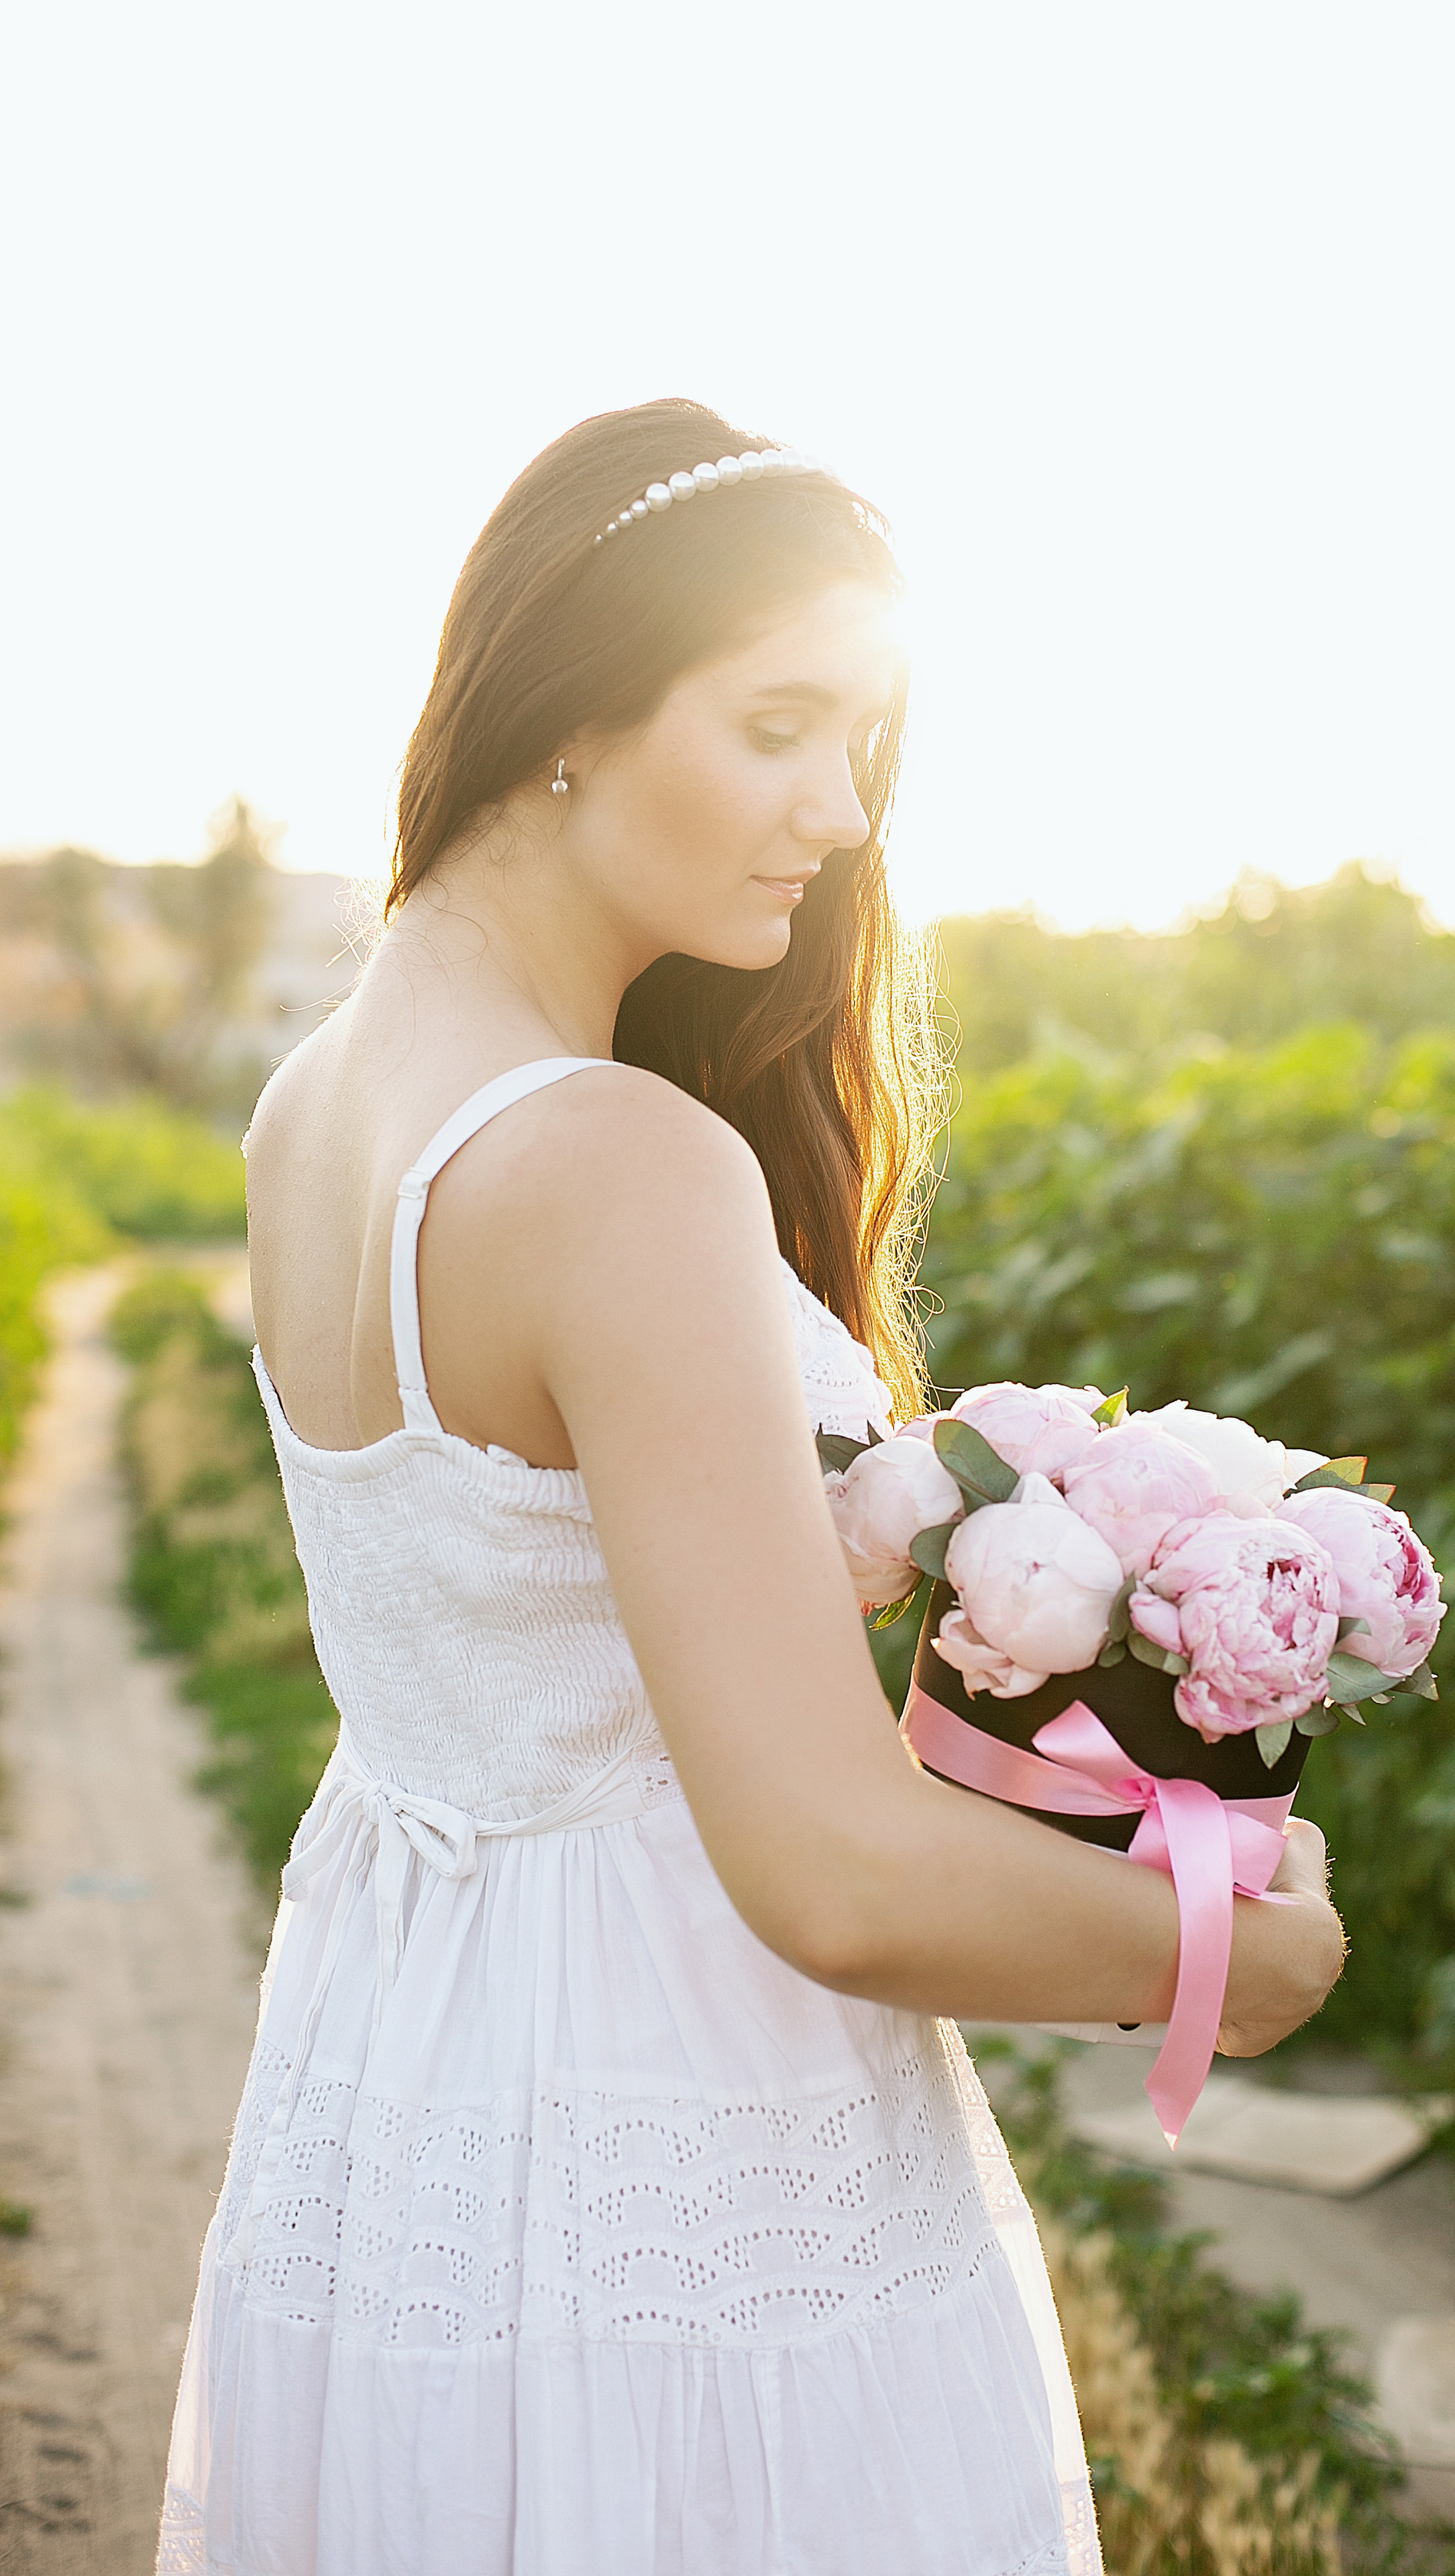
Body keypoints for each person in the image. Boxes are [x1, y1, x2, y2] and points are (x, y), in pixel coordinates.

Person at [157, 398, 1345, 2576]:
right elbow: (833, 1877)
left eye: (865, 737)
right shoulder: (613, 1163)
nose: (846, 809)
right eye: (784, 724)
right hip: (670, 2121)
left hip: (409, 2082)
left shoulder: (322, 1101)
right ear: (563, 716)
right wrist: (1227, 1962)